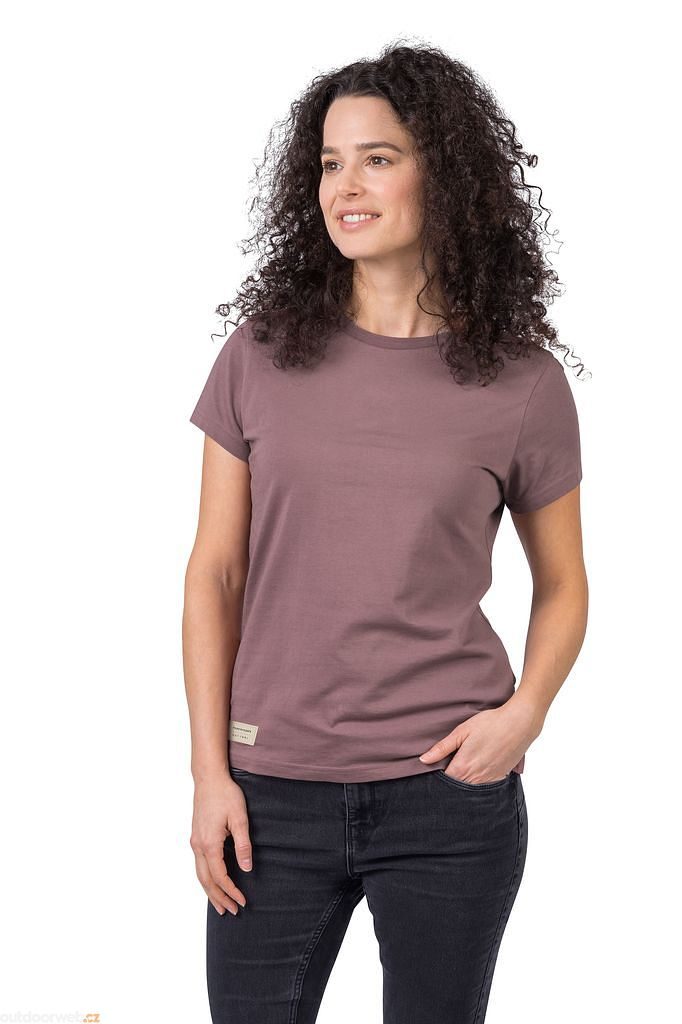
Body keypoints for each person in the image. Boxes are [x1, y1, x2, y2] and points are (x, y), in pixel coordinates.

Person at [182, 41, 588, 1024]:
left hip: (447, 793)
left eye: (378, 157)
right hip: (270, 791)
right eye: (330, 162)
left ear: (442, 175)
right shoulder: (260, 355)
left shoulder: (522, 383)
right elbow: (215, 575)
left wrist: (525, 713)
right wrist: (209, 775)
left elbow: (564, 585)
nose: (345, 186)